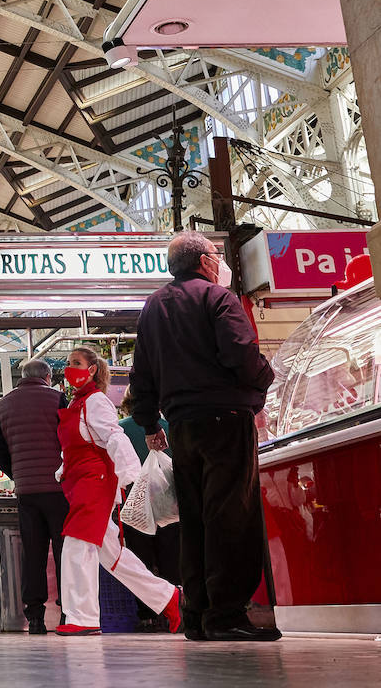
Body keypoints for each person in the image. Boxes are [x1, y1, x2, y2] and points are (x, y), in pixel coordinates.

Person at [131, 230, 278, 642]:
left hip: (180, 426)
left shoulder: (153, 306)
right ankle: (227, 614)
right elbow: (240, 352)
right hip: (224, 418)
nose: (219, 262)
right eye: (216, 255)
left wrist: (147, 424)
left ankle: (196, 614)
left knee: (193, 520)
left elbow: (142, 373)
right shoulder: (217, 298)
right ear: (205, 261)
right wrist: (264, 380)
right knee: (230, 516)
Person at [55, 347, 181, 637]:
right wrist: (63, 468)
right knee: (112, 555)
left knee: (77, 545)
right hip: (81, 483)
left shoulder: (96, 401)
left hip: (95, 484)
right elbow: (80, 443)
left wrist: (127, 474)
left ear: (92, 370)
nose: (69, 368)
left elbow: (114, 436)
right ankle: (167, 597)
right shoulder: (77, 404)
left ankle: (83, 617)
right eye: (68, 363)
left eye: (76, 363)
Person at [0, 357, 69, 635]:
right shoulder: (59, 399)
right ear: (48, 376)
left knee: (33, 554)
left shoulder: (4, 404)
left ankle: (35, 618)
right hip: (59, 490)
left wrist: (19, 475)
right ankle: (67, 615)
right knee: (64, 552)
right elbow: (70, 440)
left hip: (27, 492)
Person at [117, 387, 180, 632]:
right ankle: (175, 607)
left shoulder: (120, 428)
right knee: (171, 556)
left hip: (135, 503)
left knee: (141, 557)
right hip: (167, 500)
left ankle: (147, 615)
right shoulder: (168, 426)